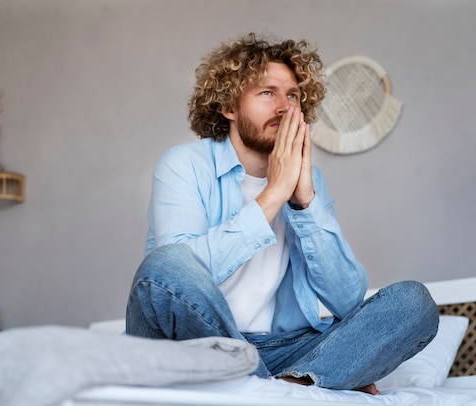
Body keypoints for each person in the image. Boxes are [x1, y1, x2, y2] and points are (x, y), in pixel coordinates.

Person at [125, 33, 438, 394]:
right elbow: (174, 279)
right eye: (267, 93)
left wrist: (303, 200)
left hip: (282, 349)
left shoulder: (310, 180)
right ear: (228, 106)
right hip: (191, 346)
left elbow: (348, 301)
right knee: (166, 265)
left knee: (414, 304)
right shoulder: (183, 165)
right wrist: (275, 192)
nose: (285, 107)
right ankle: (285, 387)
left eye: (292, 95)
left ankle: (283, 386)